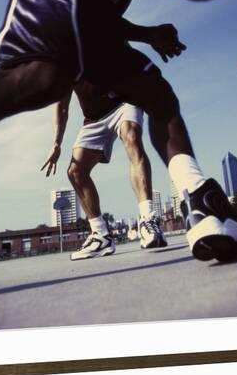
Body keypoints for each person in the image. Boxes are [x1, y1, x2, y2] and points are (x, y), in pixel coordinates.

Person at [0, 0, 237, 262]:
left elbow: (101, 17)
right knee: (43, 82)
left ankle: (201, 202)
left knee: (159, 98)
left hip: (94, 23)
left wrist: (147, 34)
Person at [41, 80, 167, 261]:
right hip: (94, 119)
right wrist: (56, 143)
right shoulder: (62, 64)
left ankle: (148, 219)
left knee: (132, 138)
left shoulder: (90, 51)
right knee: (75, 171)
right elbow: (62, 107)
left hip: (125, 103)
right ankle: (101, 235)